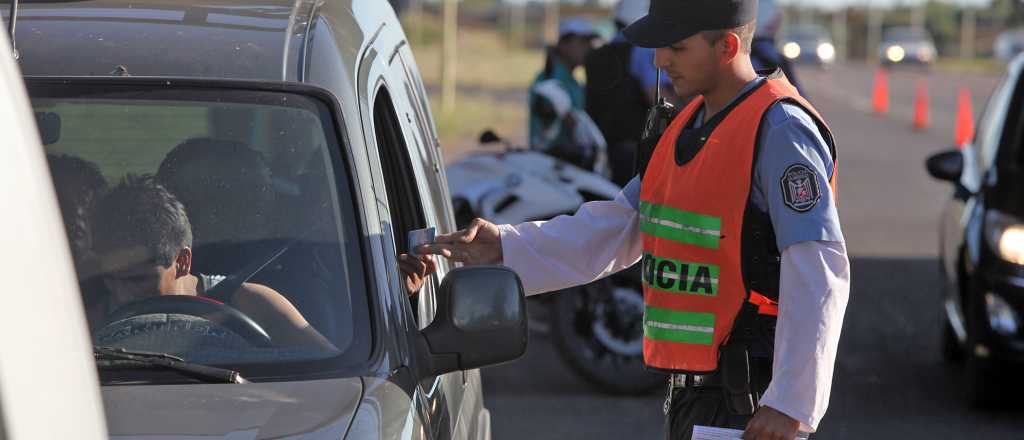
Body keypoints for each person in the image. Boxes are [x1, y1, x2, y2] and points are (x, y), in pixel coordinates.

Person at [418, 0, 849, 439]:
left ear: (727, 46)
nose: (660, 61)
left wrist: (791, 402)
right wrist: (505, 246)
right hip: (697, 395)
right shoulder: (682, 126)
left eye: (677, 48)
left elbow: (818, 266)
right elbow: (619, 224)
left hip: (751, 402)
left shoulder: (780, 129)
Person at [89, 174, 335, 350]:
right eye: (110, 279)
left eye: (138, 279)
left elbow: (334, 382)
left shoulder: (254, 305)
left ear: (182, 262)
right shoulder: (87, 322)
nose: (121, 295)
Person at [584, 0, 677, 185]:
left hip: (603, 147)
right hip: (634, 150)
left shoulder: (599, 53)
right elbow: (657, 98)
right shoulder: (644, 51)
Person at [529, 17, 604, 169]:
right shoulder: (550, 79)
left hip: (571, 163)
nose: (588, 48)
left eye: (590, 43)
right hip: (551, 165)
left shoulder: (572, 81)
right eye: (582, 42)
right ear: (564, 45)